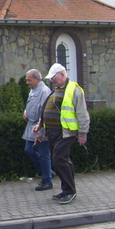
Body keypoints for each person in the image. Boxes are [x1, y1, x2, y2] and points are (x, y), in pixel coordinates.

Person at [33, 64, 90, 204]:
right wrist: (40, 126)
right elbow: (46, 109)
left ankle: (70, 191)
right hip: (53, 132)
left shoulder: (74, 90)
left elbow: (82, 113)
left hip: (66, 132)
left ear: (62, 75)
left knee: (58, 159)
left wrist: (83, 133)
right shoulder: (56, 90)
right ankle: (67, 190)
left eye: (54, 78)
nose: (52, 81)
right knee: (63, 160)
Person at [22, 69, 53, 191]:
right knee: (29, 150)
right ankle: (48, 172)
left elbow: (45, 111)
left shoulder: (44, 91)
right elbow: (30, 105)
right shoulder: (33, 90)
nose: (27, 82)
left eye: (29, 80)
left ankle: (47, 180)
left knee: (44, 155)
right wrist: (26, 112)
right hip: (31, 126)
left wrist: (41, 131)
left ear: (37, 79)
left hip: (40, 127)